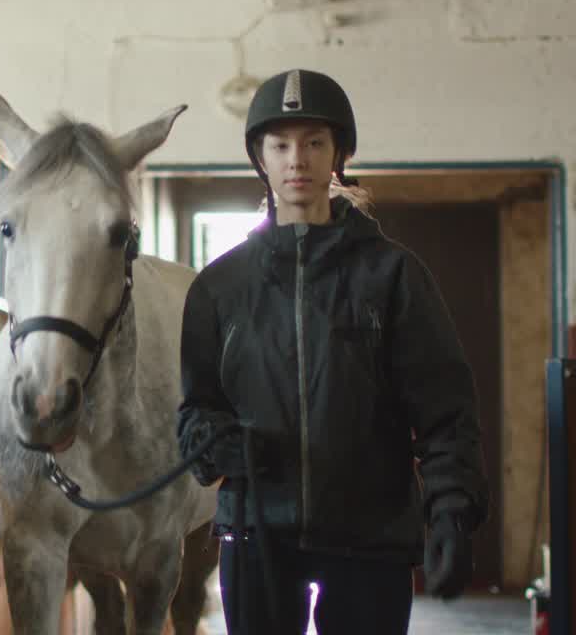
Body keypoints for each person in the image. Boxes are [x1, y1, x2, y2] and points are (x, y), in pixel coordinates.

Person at [176, 69, 489, 634]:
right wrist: (210, 443)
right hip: (257, 533)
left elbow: (446, 410)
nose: (298, 159)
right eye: (281, 144)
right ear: (261, 158)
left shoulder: (393, 275)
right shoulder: (219, 288)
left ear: (338, 153)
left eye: (314, 142)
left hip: (370, 538)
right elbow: (195, 407)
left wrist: (451, 512)